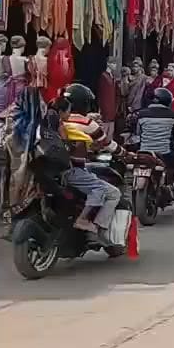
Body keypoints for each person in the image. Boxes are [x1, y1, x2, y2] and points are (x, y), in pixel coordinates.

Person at [58, 83, 121, 234]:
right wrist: (129, 156)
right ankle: (95, 228)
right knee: (111, 192)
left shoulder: (55, 119)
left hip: (55, 168)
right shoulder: (87, 124)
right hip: (73, 168)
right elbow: (108, 145)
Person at [136, 87, 174, 196]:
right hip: (165, 154)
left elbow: (138, 132)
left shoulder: (141, 115)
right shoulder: (173, 116)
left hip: (144, 153)